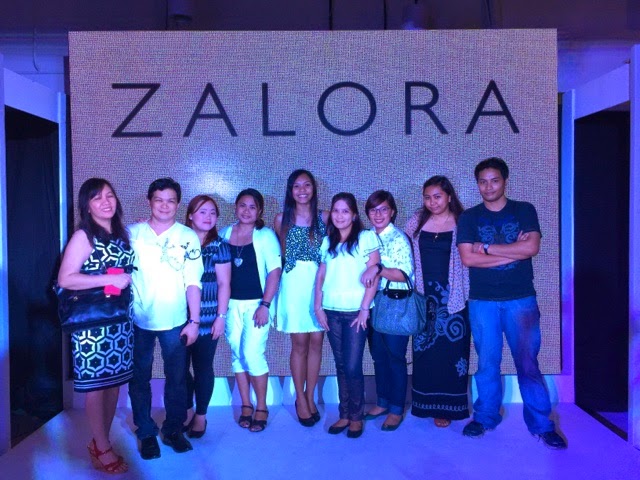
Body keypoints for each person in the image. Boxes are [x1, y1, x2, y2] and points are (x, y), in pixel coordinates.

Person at [456, 157, 567, 449]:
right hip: (483, 301)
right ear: (477, 184)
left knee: (528, 364)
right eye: (483, 182)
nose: (488, 186)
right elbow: (468, 258)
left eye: (494, 180)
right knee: (487, 364)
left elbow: (532, 247)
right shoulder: (469, 217)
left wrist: (487, 249)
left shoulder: (523, 210)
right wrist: (513, 251)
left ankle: (542, 425)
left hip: (521, 299)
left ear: (505, 180)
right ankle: (484, 417)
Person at [57, 178, 134, 474]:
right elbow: (66, 279)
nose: (106, 202)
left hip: (119, 322)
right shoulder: (83, 236)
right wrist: (108, 279)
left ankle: (102, 441)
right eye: (97, 198)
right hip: (92, 326)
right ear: (86, 206)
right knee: (97, 386)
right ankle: (101, 446)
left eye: (110, 195)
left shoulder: (121, 234)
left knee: (113, 383)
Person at [128, 178, 204, 459]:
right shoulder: (132, 233)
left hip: (176, 321)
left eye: (170, 200)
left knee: (177, 379)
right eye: (158, 200)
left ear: (178, 204)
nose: (164, 205)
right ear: (149, 201)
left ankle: (173, 429)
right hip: (138, 320)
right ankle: (146, 432)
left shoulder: (188, 236)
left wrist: (194, 322)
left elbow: (193, 282)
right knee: (139, 378)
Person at [404, 176, 471, 427]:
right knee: (424, 351)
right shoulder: (417, 220)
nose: (432, 202)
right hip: (424, 297)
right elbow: (401, 248)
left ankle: (449, 408)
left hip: (454, 297)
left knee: (453, 352)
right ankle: (424, 404)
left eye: (437, 197)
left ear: (449, 196)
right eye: (427, 197)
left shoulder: (463, 221)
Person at [314, 192, 381, 439]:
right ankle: (344, 414)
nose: (340, 215)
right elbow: (321, 275)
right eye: (336, 210)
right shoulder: (327, 241)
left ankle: (356, 416)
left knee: (353, 365)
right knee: (341, 364)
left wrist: (364, 308)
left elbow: (374, 274)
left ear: (354, 215)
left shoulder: (365, 238)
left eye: (345, 211)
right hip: (331, 311)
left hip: (356, 312)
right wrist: (318, 307)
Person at [220, 188, 282, 433]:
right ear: (236, 207)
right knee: (237, 354)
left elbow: (275, 272)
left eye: (252, 207)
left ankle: (262, 407)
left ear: (260, 211)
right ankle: (246, 405)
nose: (246, 211)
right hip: (230, 305)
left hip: (257, 304)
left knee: (252, 353)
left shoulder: (265, 235)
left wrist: (265, 305)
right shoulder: (225, 233)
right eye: (242, 205)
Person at [274, 169, 328, 427]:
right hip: (294, 285)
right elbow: (281, 256)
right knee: (299, 345)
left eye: (307, 185)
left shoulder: (325, 217)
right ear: (290, 190)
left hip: (319, 285)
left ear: (314, 188)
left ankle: (310, 395)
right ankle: (300, 398)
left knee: (317, 342)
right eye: (297, 186)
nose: (302, 190)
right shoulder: (281, 219)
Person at [361, 190, 414, 431]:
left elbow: (405, 275)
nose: (378, 214)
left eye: (383, 209)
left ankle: (396, 408)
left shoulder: (398, 238)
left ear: (392, 212)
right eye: (373, 210)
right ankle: (382, 401)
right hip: (373, 303)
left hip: (395, 303)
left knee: (395, 357)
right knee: (378, 355)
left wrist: (378, 269)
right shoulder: (366, 237)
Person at [183, 195, 231, 438]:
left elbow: (224, 284)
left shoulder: (220, 246)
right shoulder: (179, 242)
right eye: (202, 212)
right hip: (178, 316)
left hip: (209, 317)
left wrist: (221, 316)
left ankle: (201, 415)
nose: (208, 217)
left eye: (212, 212)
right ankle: (187, 410)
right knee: (179, 369)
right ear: (190, 215)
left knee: (203, 368)